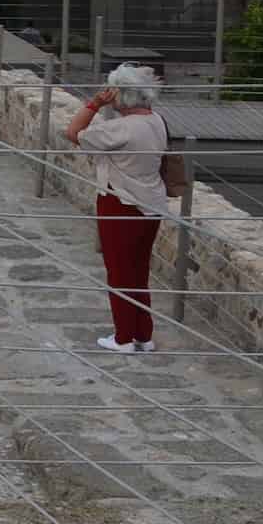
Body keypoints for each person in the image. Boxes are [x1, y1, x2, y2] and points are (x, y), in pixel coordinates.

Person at [67, 62, 170, 353]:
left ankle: (123, 336)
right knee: (138, 270)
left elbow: (74, 132)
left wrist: (95, 103)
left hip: (121, 202)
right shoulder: (156, 121)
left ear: (121, 94)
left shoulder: (120, 129)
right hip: (151, 203)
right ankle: (142, 334)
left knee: (119, 271)